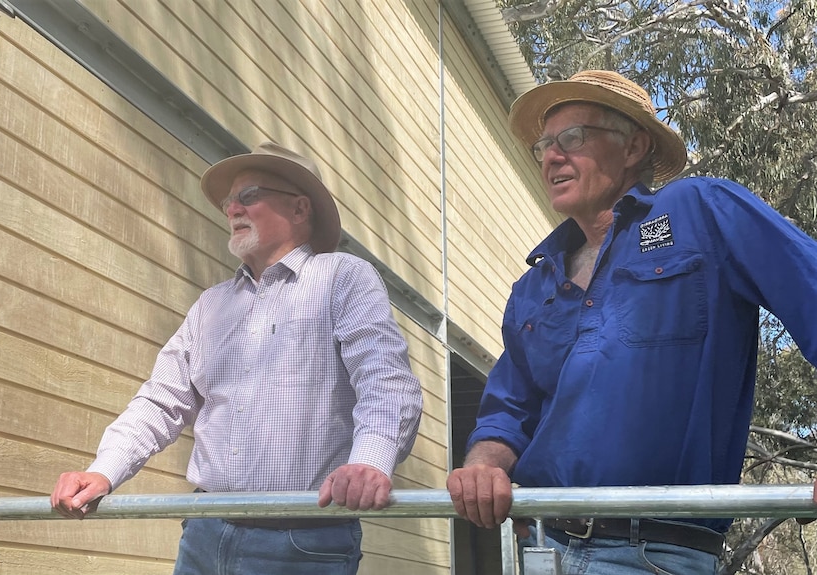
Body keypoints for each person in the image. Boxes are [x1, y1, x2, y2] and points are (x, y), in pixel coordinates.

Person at [446, 69, 817, 574]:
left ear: (634, 145)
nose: (553, 155)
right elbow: (509, 411)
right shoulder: (533, 287)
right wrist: (482, 465)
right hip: (540, 549)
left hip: (655, 551)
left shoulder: (700, 211)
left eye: (573, 138)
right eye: (545, 145)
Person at [51, 141, 423, 575]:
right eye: (229, 201)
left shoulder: (343, 276)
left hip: (305, 538)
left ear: (300, 209)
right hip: (205, 532)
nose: (232, 209)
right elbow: (160, 401)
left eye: (248, 196)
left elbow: (385, 382)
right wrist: (104, 471)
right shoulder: (211, 305)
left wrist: (369, 463)